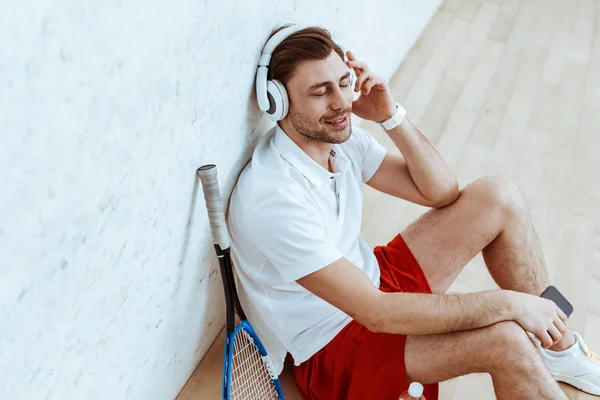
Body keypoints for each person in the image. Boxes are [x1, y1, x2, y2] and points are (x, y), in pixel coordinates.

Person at [227, 24, 600, 400]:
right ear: (278, 101)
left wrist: (389, 115)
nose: (341, 102)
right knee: (506, 339)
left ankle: (561, 349)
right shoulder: (273, 199)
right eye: (321, 92)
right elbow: (376, 313)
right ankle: (532, 332)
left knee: (498, 196)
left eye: (344, 82)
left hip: (372, 282)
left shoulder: (340, 137)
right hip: (330, 347)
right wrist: (509, 305)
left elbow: (441, 191)